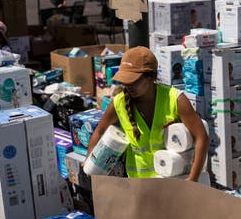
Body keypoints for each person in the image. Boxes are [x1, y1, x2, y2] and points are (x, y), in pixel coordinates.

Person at [86, 47, 208, 181]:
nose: (129, 85)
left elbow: (201, 137)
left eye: (134, 81)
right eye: (126, 81)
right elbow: (99, 131)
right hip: (139, 184)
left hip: (172, 182)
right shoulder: (118, 103)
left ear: (152, 77)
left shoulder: (176, 99)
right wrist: (89, 159)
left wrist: (192, 179)